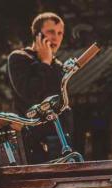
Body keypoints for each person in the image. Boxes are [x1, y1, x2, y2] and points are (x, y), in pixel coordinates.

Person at [7, 12, 72, 164]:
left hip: (61, 138)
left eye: (60, 33)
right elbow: (31, 94)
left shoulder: (58, 66)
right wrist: (44, 63)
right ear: (37, 34)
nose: (56, 37)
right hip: (33, 141)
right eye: (50, 32)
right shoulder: (19, 58)